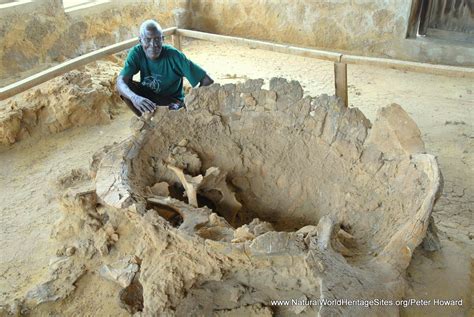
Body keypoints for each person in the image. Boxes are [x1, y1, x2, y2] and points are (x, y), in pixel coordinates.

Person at [117, 20, 214, 116]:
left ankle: (161, 119)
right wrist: (135, 98)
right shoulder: (136, 53)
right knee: (125, 87)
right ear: (140, 41)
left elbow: (207, 81)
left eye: (157, 39)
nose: (153, 45)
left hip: (171, 102)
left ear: (162, 39)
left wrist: (187, 104)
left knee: (174, 110)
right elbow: (121, 81)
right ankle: (145, 120)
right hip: (149, 97)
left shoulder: (174, 56)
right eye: (147, 39)